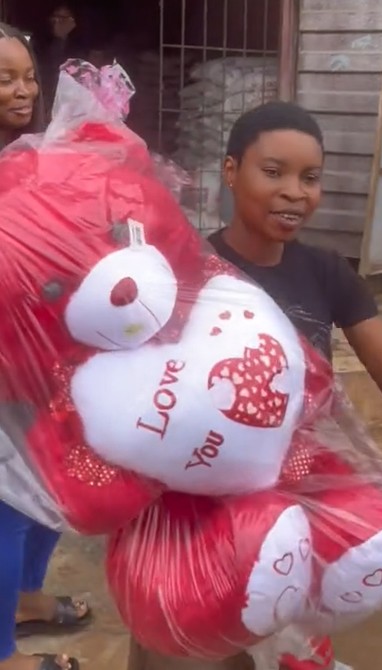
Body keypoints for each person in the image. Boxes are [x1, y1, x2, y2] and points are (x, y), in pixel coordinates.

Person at [126, 101, 382, 670]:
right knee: (187, 651)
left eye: (310, 178)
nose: (295, 192)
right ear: (231, 171)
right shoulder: (186, 273)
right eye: (274, 172)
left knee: (290, 650)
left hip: (296, 512)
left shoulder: (327, 273)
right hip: (195, 518)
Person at [0, 23, 90, 670]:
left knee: (49, 489)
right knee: (7, 504)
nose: (23, 89)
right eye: (4, 78)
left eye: (29, 76)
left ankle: (25, 599)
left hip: (45, 357)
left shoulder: (35, 156)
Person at [33, 3, 88, 113]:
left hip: (70, 102)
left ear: (73, 22)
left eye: (62, 18)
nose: (57, 21)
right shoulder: (39, 41)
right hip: (44, 97)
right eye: (54, 17)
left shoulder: (81, 45)